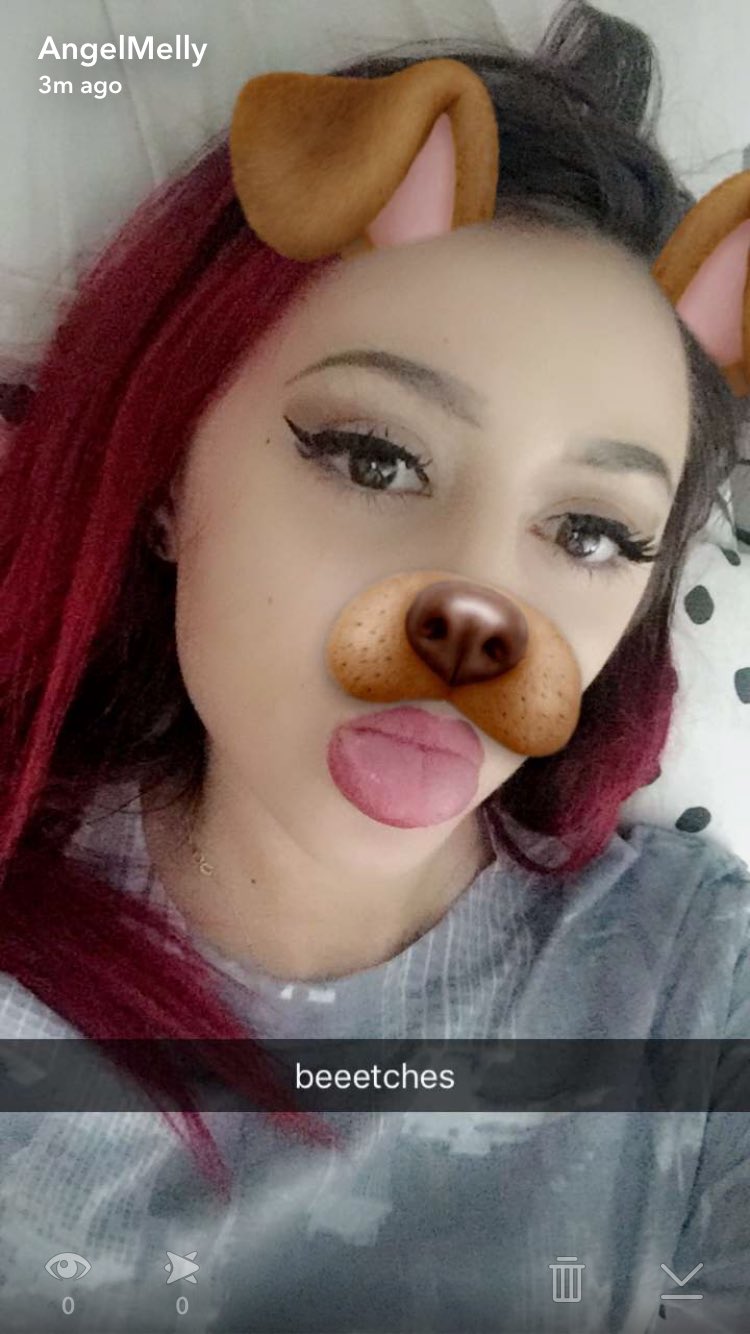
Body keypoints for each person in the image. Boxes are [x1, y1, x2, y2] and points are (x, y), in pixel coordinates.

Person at [0, 2, 748, 1331]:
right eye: (374, 457)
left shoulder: (697, 987)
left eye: (589, 531)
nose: (476, 609)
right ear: (170, 469)